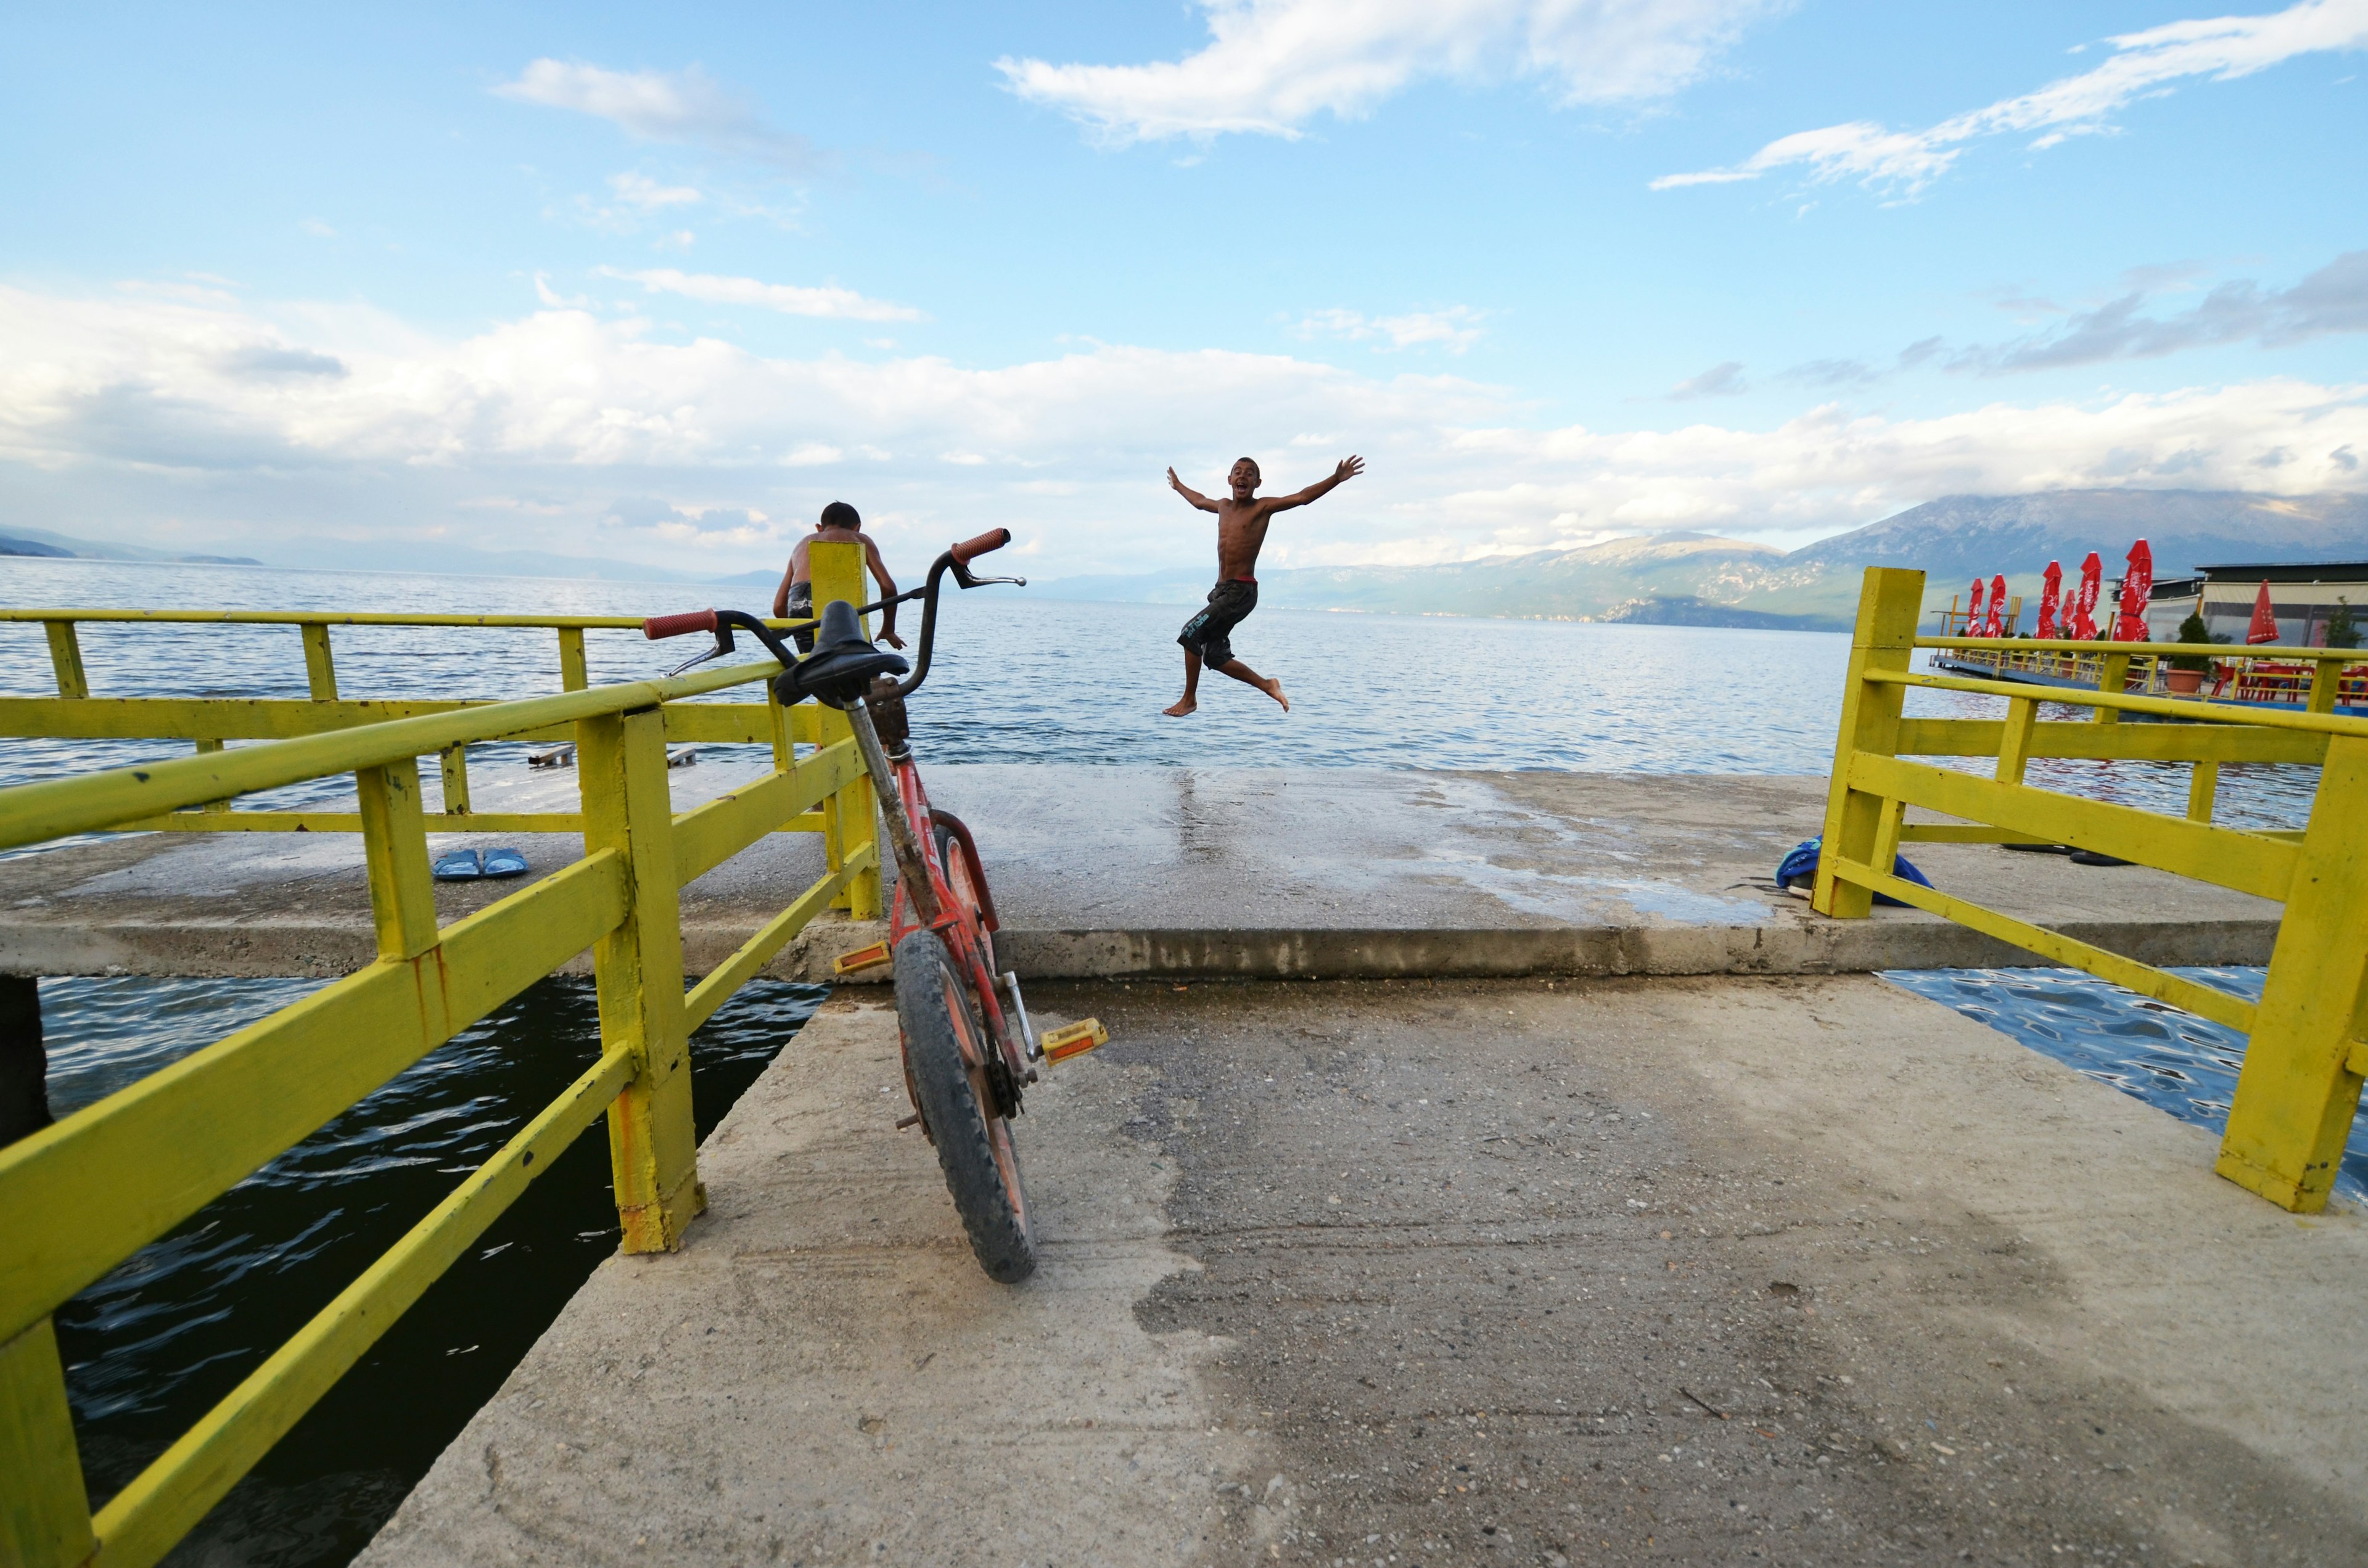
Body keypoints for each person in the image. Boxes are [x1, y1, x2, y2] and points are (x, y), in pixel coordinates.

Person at [1162, 454, 1362, 716]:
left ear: (1258, 482)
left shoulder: (1262, 508)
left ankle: (1189, 699)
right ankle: (1268, 685)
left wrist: (1336, 479)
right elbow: (1199, 501)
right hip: (1221, 592)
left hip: (1241, 591)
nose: (1242, 476)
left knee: (1191, 632)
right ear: (1229, 480)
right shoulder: (1222, 506)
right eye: (1238, 472)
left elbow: (1302, 498)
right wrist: (1179, 487)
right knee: (1213, 656)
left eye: (1249, 473)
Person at [773, 501, 905, 651]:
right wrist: (888, 629)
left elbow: (778, 607)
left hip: (798, 605)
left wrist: (798, 627)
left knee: (813, 664)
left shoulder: (801, 545)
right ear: (858, 528)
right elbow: (888, 587)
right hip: (836, 605)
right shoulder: (859, 538)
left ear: (819, 528)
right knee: (864, 665)